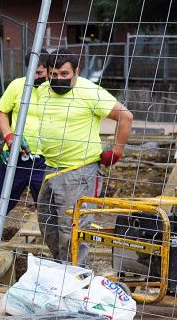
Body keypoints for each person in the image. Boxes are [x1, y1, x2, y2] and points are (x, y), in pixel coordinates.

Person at [30, 51, 133, 265]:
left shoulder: (90, 92)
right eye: (54, 74)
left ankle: (75, 273)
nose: (58, 79)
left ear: (76, 71)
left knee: (73, 229)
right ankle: (62, 269)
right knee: (48, 225)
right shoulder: (42, 90)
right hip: (51, 168)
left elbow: (125, 116)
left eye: (64, 73)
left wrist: (116, 152)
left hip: (80, 171)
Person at [0, 62, 50, 231]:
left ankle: (57, 252)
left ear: (49, 71)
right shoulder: (17, 85)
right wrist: (10, 137)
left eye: (39, 72)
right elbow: (1, 112)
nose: (35, 76)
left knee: (49, 207)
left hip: (45, 160)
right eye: (31, 71)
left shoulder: (55, 91)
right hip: (14, 156)